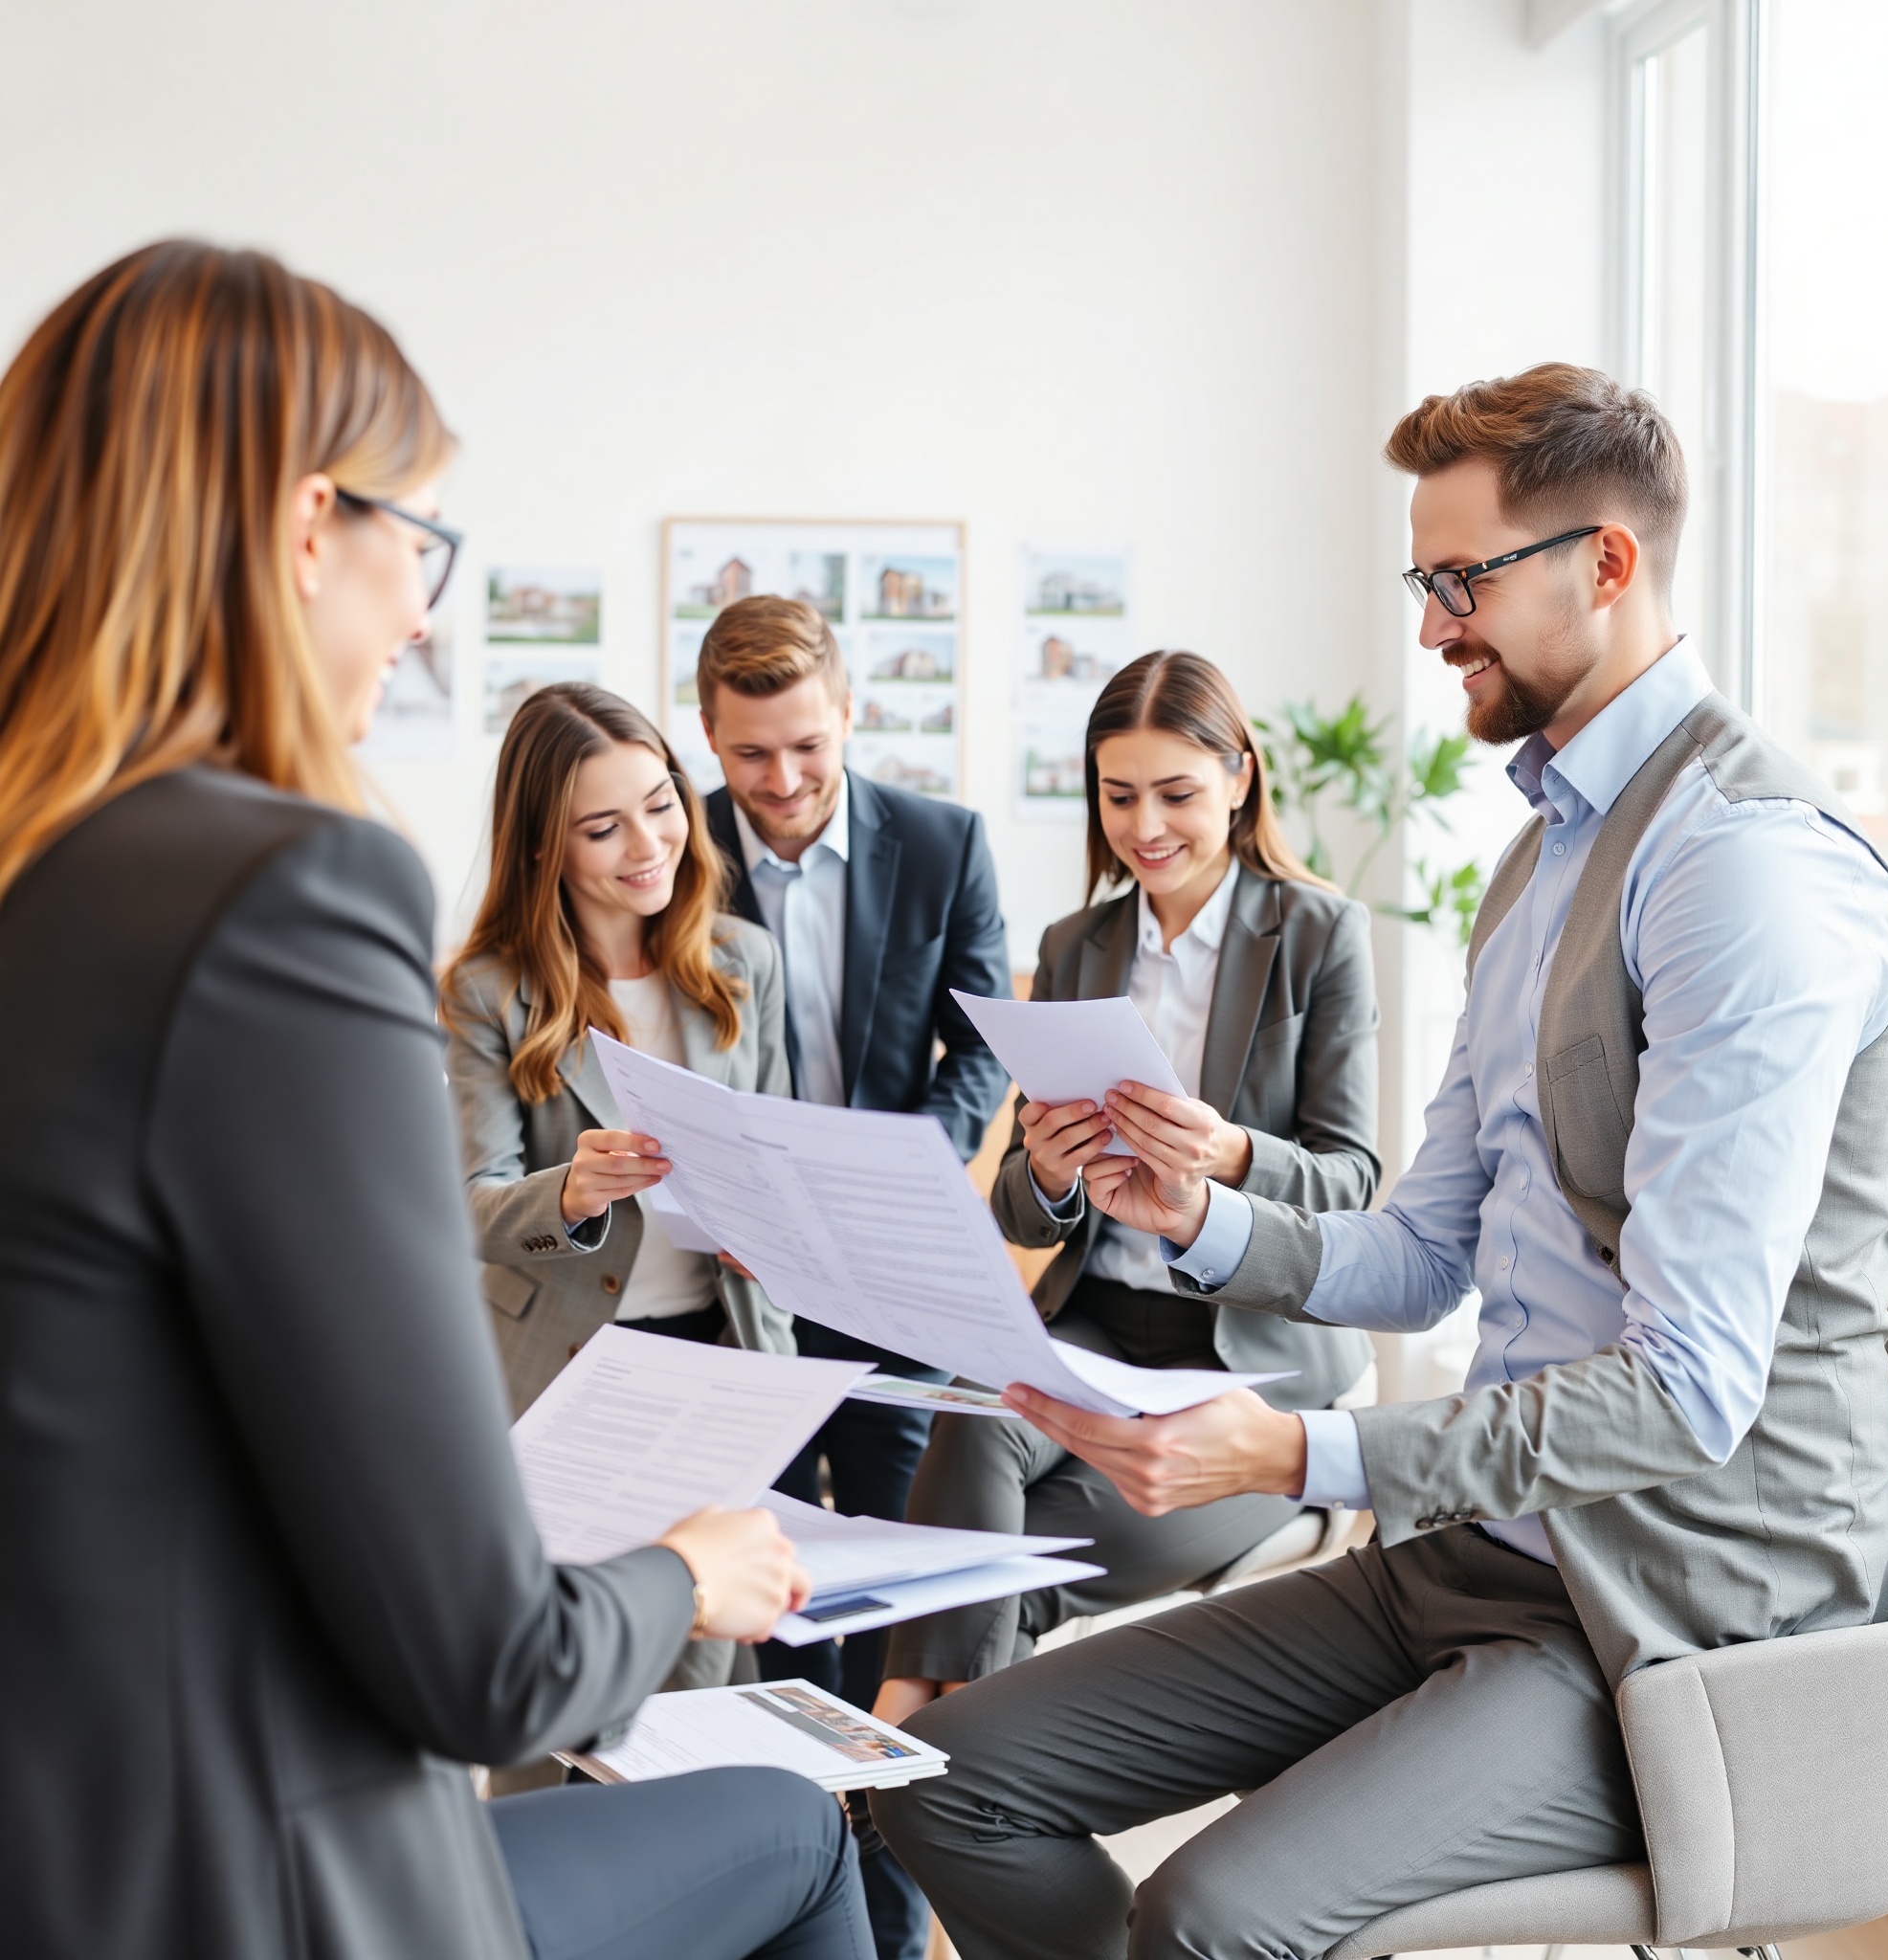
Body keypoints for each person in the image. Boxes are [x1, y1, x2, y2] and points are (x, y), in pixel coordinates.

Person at [873, 363, 1888, 1960]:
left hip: (1669, 1604)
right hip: (1472, 1551)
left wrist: (1293, 1457)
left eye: (1460, 580)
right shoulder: (1540, 856)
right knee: (947, 1779)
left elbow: (1691, 1384)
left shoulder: (1742, 873)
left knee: (1208, 1914)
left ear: (1604, 564)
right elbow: (1419, 1241)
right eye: (1423, 582)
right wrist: (1201, 1215)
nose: (1430, 624)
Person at [0, 240, 872, 1960]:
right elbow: (483, 1660)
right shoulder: (280, 890)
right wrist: (692, 1572)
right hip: (252, 1875)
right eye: (421, 546)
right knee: (793, 1824)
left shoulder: (46, 874)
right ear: (305, 522)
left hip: (63, 1834)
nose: (421, 610)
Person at [874, 650, 1379, 1727]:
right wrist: (1049, 1168)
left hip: (1247, 1355)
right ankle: (922, 1759)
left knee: (1007, 1574)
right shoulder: (1075, 944)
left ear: (1240, 778)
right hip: (1098, 1324)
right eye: (1117, 795)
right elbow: (1018, 1199)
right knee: (974, 1413)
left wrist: (1228, 1153)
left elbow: (1353, 1180)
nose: (1143, 825)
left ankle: (905, 1731)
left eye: (1176, 792)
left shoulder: (1318, 936)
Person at [696, 592, 1012, 1960]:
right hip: (738, 1281)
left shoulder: (944, 845)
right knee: (772, 1601)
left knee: (892, 1604)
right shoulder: (670, 853)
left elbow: (982, 1047)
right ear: (709, 737)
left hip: (891, 1265)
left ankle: (894, 1925)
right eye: (752, 756)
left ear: (848, 715)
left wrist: (901, 1174)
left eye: (808, 751)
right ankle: (794, 1905)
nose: (781, 784)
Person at [442, 680, 794, 1704]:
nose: (648, 843)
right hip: (564, 1372)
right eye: (603, 826)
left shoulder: (742, 963)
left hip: (718, 1356)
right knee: (554, 1682)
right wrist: (575, 1191)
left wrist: (768, 1225)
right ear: (544, 845)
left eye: (661, 803)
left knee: (700, 1678)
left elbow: (768, 1146)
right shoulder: (486, 991)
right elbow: (467, 1204)